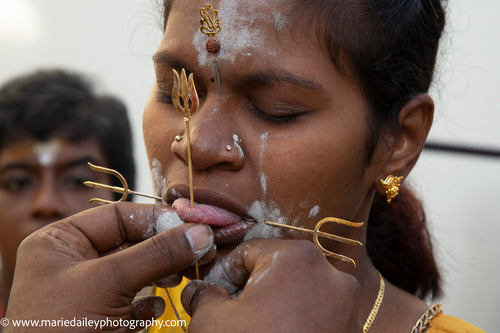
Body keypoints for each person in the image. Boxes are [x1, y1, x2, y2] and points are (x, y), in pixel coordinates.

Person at [4, 1, 486, 332]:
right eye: (177, 93)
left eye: (276, 109)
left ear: (399, 140)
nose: (198, 143)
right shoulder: (101, 316)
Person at [0, 69, 135, 319]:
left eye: (76, 180)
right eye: (18, 183)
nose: (47, 204)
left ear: (122, 196)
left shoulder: (173, 318)